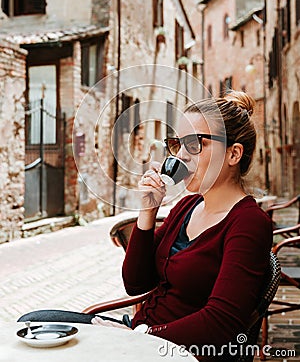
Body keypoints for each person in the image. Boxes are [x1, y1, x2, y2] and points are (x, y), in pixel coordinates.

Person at [18, 91, 273, 361]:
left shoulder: (249, 223)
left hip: (175, 350)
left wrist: (141, 335)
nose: (181, 156)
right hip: (140, 333)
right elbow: (136, 283)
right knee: (32, 323)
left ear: (233, 154)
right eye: (178, 144)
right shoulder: (187, 207)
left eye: (195, 144)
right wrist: (148, 211)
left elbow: (222, 322)